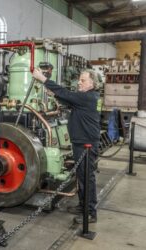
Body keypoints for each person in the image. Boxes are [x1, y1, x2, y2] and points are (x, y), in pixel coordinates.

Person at [32, 68, 100, 224]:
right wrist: (55, 95)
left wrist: (42, 78)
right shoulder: (88, 97)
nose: (79, 83)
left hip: (86, 145)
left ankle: (90, 213)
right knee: (82, 178)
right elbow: (69, 100)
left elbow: (67, 95)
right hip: (81, 143)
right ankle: (83, 206)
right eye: (79, 80)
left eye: (83, 81)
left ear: (92, 83)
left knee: (87, 178)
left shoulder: (88, 97)